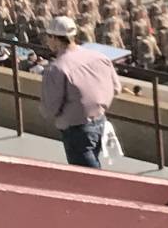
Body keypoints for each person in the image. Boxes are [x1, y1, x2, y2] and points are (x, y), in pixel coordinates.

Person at [38, 13, 118, 168]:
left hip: (77, 130)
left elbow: (50, 107)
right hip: (101, 122)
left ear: (55, 39)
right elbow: (116, 87)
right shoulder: (99, 56)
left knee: (89, 178)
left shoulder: (57, 68)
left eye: (48, 36)